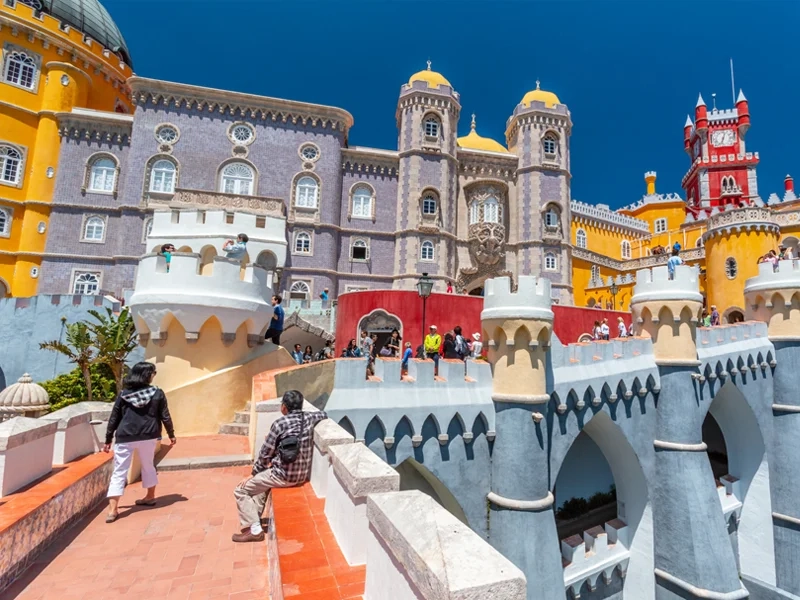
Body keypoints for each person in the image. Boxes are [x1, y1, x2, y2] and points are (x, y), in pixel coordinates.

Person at [233, 390, 327, 542]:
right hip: (301, 475)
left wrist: (253, 473)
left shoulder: (279, 424)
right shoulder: (310, 418)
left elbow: (265, 454)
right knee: (262, 484)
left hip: (282, 476)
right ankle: (255, 519)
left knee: (240, 490)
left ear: (284, 407)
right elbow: (323, 414)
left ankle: (255, 530)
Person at [103, 362, 176, 523]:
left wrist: (108, 439)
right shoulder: (157, 393)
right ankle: (150, 496)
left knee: (119, 470)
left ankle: (113, 509)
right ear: (147, 375)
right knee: (148, 466)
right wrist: (171, 434)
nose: (154, 375)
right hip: (149, 435)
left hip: (125, 436)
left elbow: (115, 417)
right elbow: (165, 415)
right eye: (153, 372)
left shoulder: (124, 394)